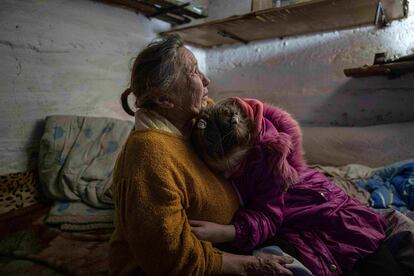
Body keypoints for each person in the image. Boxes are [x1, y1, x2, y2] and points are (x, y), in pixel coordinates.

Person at [109, 35, 296, 275]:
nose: (207, 79)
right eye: (194, 72)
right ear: (165, 99)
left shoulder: (195, 118)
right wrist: (252, 264)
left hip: (236, 239)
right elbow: (171, 260)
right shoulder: (149, 156)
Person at [190, 97, 407, 276]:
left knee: (369, 252)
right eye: (219, 171)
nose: (226, 175)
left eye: (234, 166)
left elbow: (268, 215)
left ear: (250, 147)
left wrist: (227, 232)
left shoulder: (268, 160)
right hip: (310, 209)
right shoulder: (222, 133)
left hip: (329, 211)